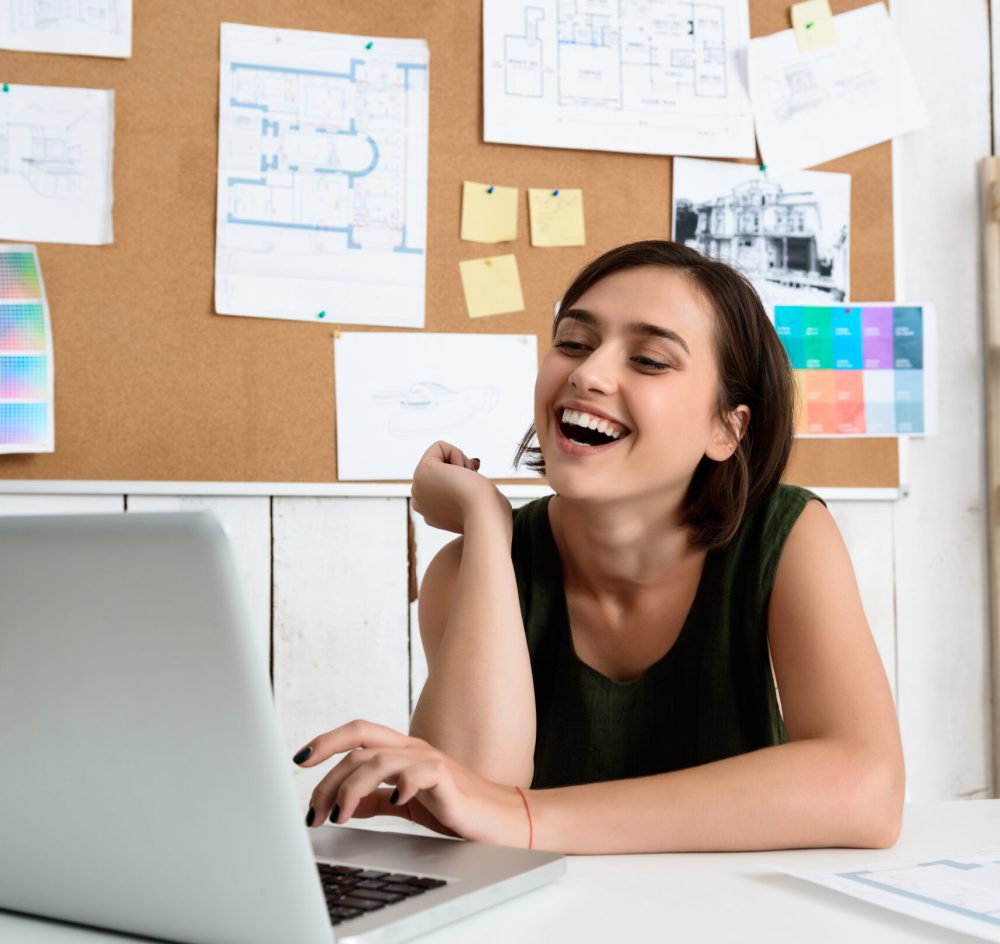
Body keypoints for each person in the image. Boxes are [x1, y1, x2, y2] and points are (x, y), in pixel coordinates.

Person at [296, 240, 905, 854]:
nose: (586, 373)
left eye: (648, 360)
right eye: (573, 342)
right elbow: (471, 806)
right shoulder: (471, 570)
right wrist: (484, 520)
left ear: (727, 428)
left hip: (739, 928)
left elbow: (866, 789)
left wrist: (530, 820)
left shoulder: (788, 535)